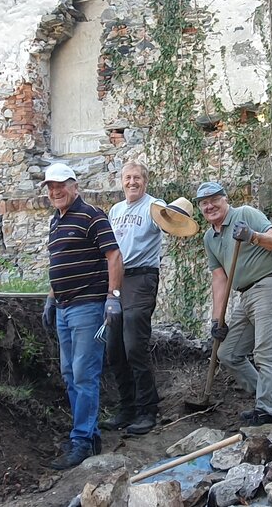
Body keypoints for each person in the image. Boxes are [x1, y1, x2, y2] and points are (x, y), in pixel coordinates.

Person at [101, 162, 199, 435]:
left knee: (134, 345)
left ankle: (147, 410)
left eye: (137, 178)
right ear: (121, 181)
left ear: (145, 181)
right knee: (113, 348)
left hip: (142, 278)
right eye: (128, 178)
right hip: (117, 280)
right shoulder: (115, 211)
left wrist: (178, 218)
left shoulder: (153, 206)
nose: (132, 182)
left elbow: (171, 222)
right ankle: (127, 408)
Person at [40, 163, 124, 470]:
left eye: (61, 185)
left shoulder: (92, 216)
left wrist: (113, 297)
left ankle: (81, 441)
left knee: (84, 373)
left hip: (88, 306)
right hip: (64, 308)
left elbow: (114, 255)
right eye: (51, 187)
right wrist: (51, 298)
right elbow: (58, 263)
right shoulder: (56, 222)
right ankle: (90, 435)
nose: (56, 191)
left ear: (75, 186)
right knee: (69, 373)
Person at [194, 181, 272, 426]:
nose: (210, 206)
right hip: (245, 295)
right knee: (228, 353)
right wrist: (217, 319)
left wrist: (252, 236)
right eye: (204, 203)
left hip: (268, 284)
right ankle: (267, 397)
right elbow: (219, 279)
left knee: (265, 352)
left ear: (225, 199)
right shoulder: (209, 237)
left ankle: (268, 411)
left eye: (215, 200)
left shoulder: (245, 214)